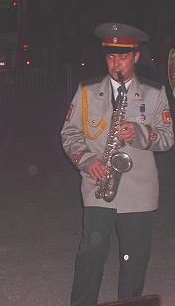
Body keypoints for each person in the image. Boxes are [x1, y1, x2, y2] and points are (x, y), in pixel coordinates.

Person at [61, 23, 174, 306]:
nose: (116, 64)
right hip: (97, 184)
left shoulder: (154, 92)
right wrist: (86, 161)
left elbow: (167, 138)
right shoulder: (86, 91)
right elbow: (70, 133)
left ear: (136, 56)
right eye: (111, 57)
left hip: (139, 192)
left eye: (122, 57)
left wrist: (141, 133)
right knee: (90, 257)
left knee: (134, 261)